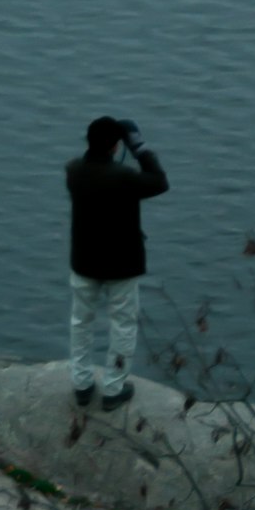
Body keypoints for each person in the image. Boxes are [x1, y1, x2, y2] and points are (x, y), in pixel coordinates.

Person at [65, 115, 169, 410]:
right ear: (116, 145)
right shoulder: (124, 178)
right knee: (122, 325)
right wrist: (140, 148)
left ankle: (82, 383)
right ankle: (113, 387)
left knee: (80, 322)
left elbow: (94, 166)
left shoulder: (73, 171)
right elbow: (160, 182)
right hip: (122, 265)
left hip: (84, 261)